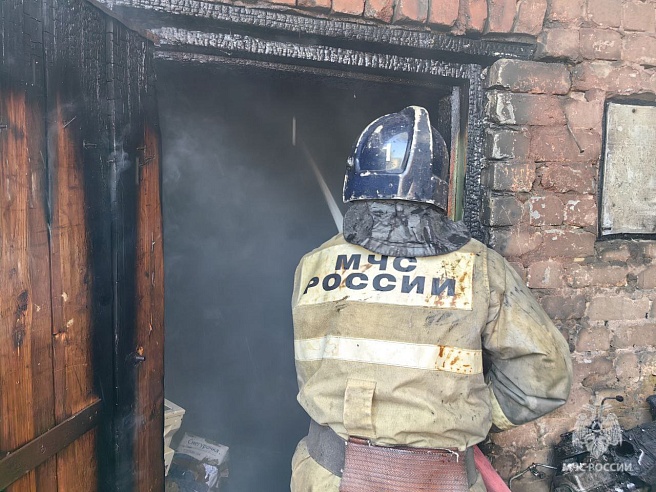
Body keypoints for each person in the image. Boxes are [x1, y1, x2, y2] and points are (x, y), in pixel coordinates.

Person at [290, 106, 572, 492]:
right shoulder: (479, 267)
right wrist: (472, 414)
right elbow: (546, 375)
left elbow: (314, 369)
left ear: (355, 179)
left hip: (328, 476)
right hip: (442, 480)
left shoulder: (315, 264)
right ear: (441, 188)